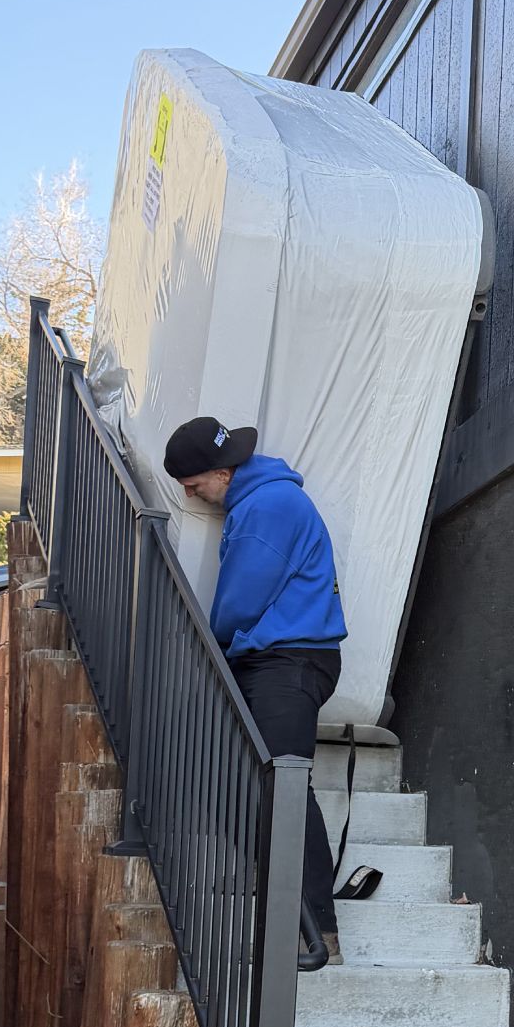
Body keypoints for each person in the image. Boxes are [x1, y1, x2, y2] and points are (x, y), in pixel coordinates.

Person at [162, 414, 345, 970]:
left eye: (194, 484)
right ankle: (299, 919)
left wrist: (208, 647)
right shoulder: (263, 501)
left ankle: (317, 933)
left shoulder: (267, 507)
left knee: (282, 790)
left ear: (222, 472)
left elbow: (240, 601)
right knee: (241, 783)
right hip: (279, 661)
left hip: (287, 661)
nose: (190, 495)